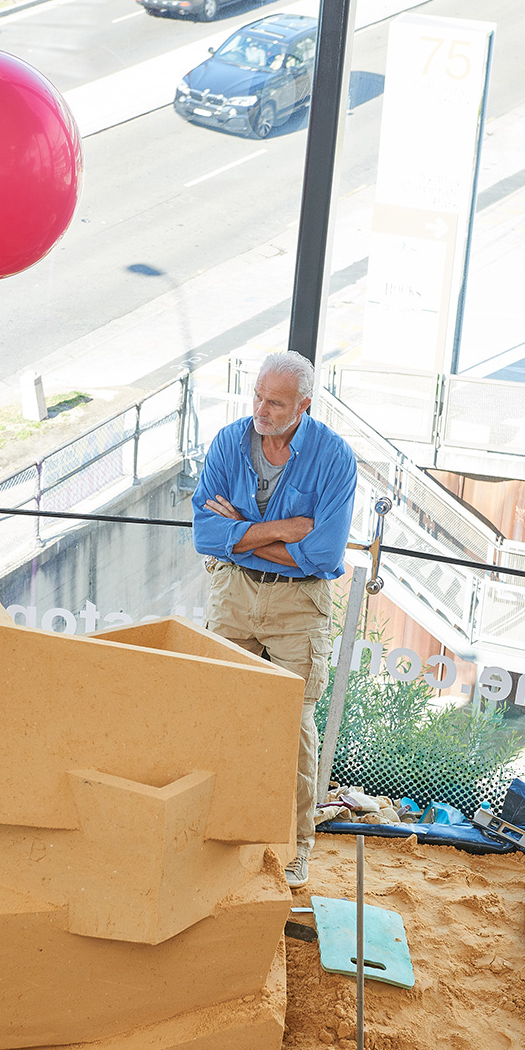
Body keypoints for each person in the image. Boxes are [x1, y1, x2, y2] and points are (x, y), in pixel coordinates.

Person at [192, 351, 357, 889]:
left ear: (303, 406)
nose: (261, 409)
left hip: (298, 606)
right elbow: (205, 535)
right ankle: (214, 828)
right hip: (232, 594)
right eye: (258, 396)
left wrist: (244, 531)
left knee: (295, 729)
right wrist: (284, 528)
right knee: (219, 710)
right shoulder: (226, 443)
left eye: (276, 402)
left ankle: (294, 848)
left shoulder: (334, 458)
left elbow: (326, 555)